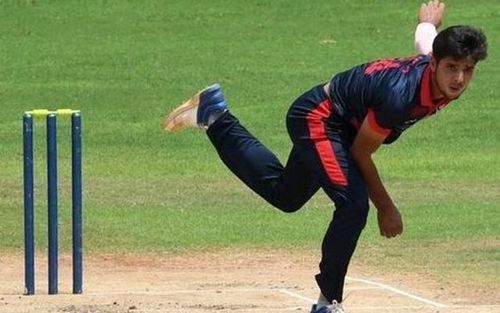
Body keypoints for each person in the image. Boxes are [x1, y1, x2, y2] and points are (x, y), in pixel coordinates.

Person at [163, 1, 487, 312]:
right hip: (319, 118)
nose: (459, 78)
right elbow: (361, 152)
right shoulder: (400, 97)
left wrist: (428, 22)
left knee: (286, 196)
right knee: (354, 204)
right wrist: (386, 207)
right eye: (451, 68)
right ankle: (327, 303)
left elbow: (426, 40)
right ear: (434, 64)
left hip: (342, 125)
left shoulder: (439, 70)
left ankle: (214, 115)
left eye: (468, 70)